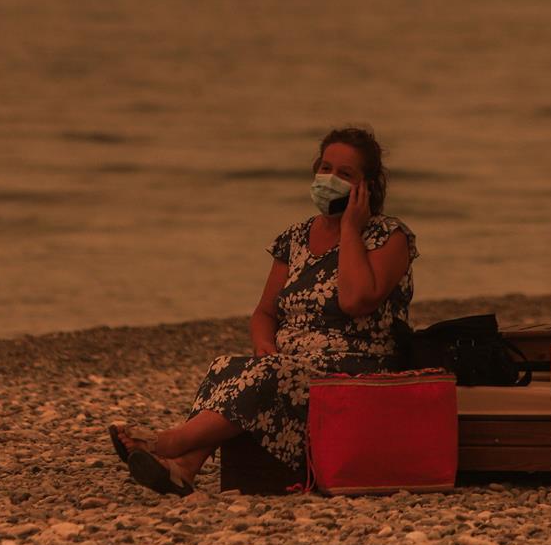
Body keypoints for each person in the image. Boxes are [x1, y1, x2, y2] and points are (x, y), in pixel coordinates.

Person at [109, 126, 418, 496]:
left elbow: (356, 300)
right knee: (228, 365)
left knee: (271, 374)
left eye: (345, 174)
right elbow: (264, 314)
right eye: (325, 168)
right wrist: (263, 345)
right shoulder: (295, 238)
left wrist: (350, 229)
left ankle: (171, 442)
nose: (330, 179)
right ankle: (184, 469)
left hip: (354, 371)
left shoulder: (388, 236)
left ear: (366, 187)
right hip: (291, 367)